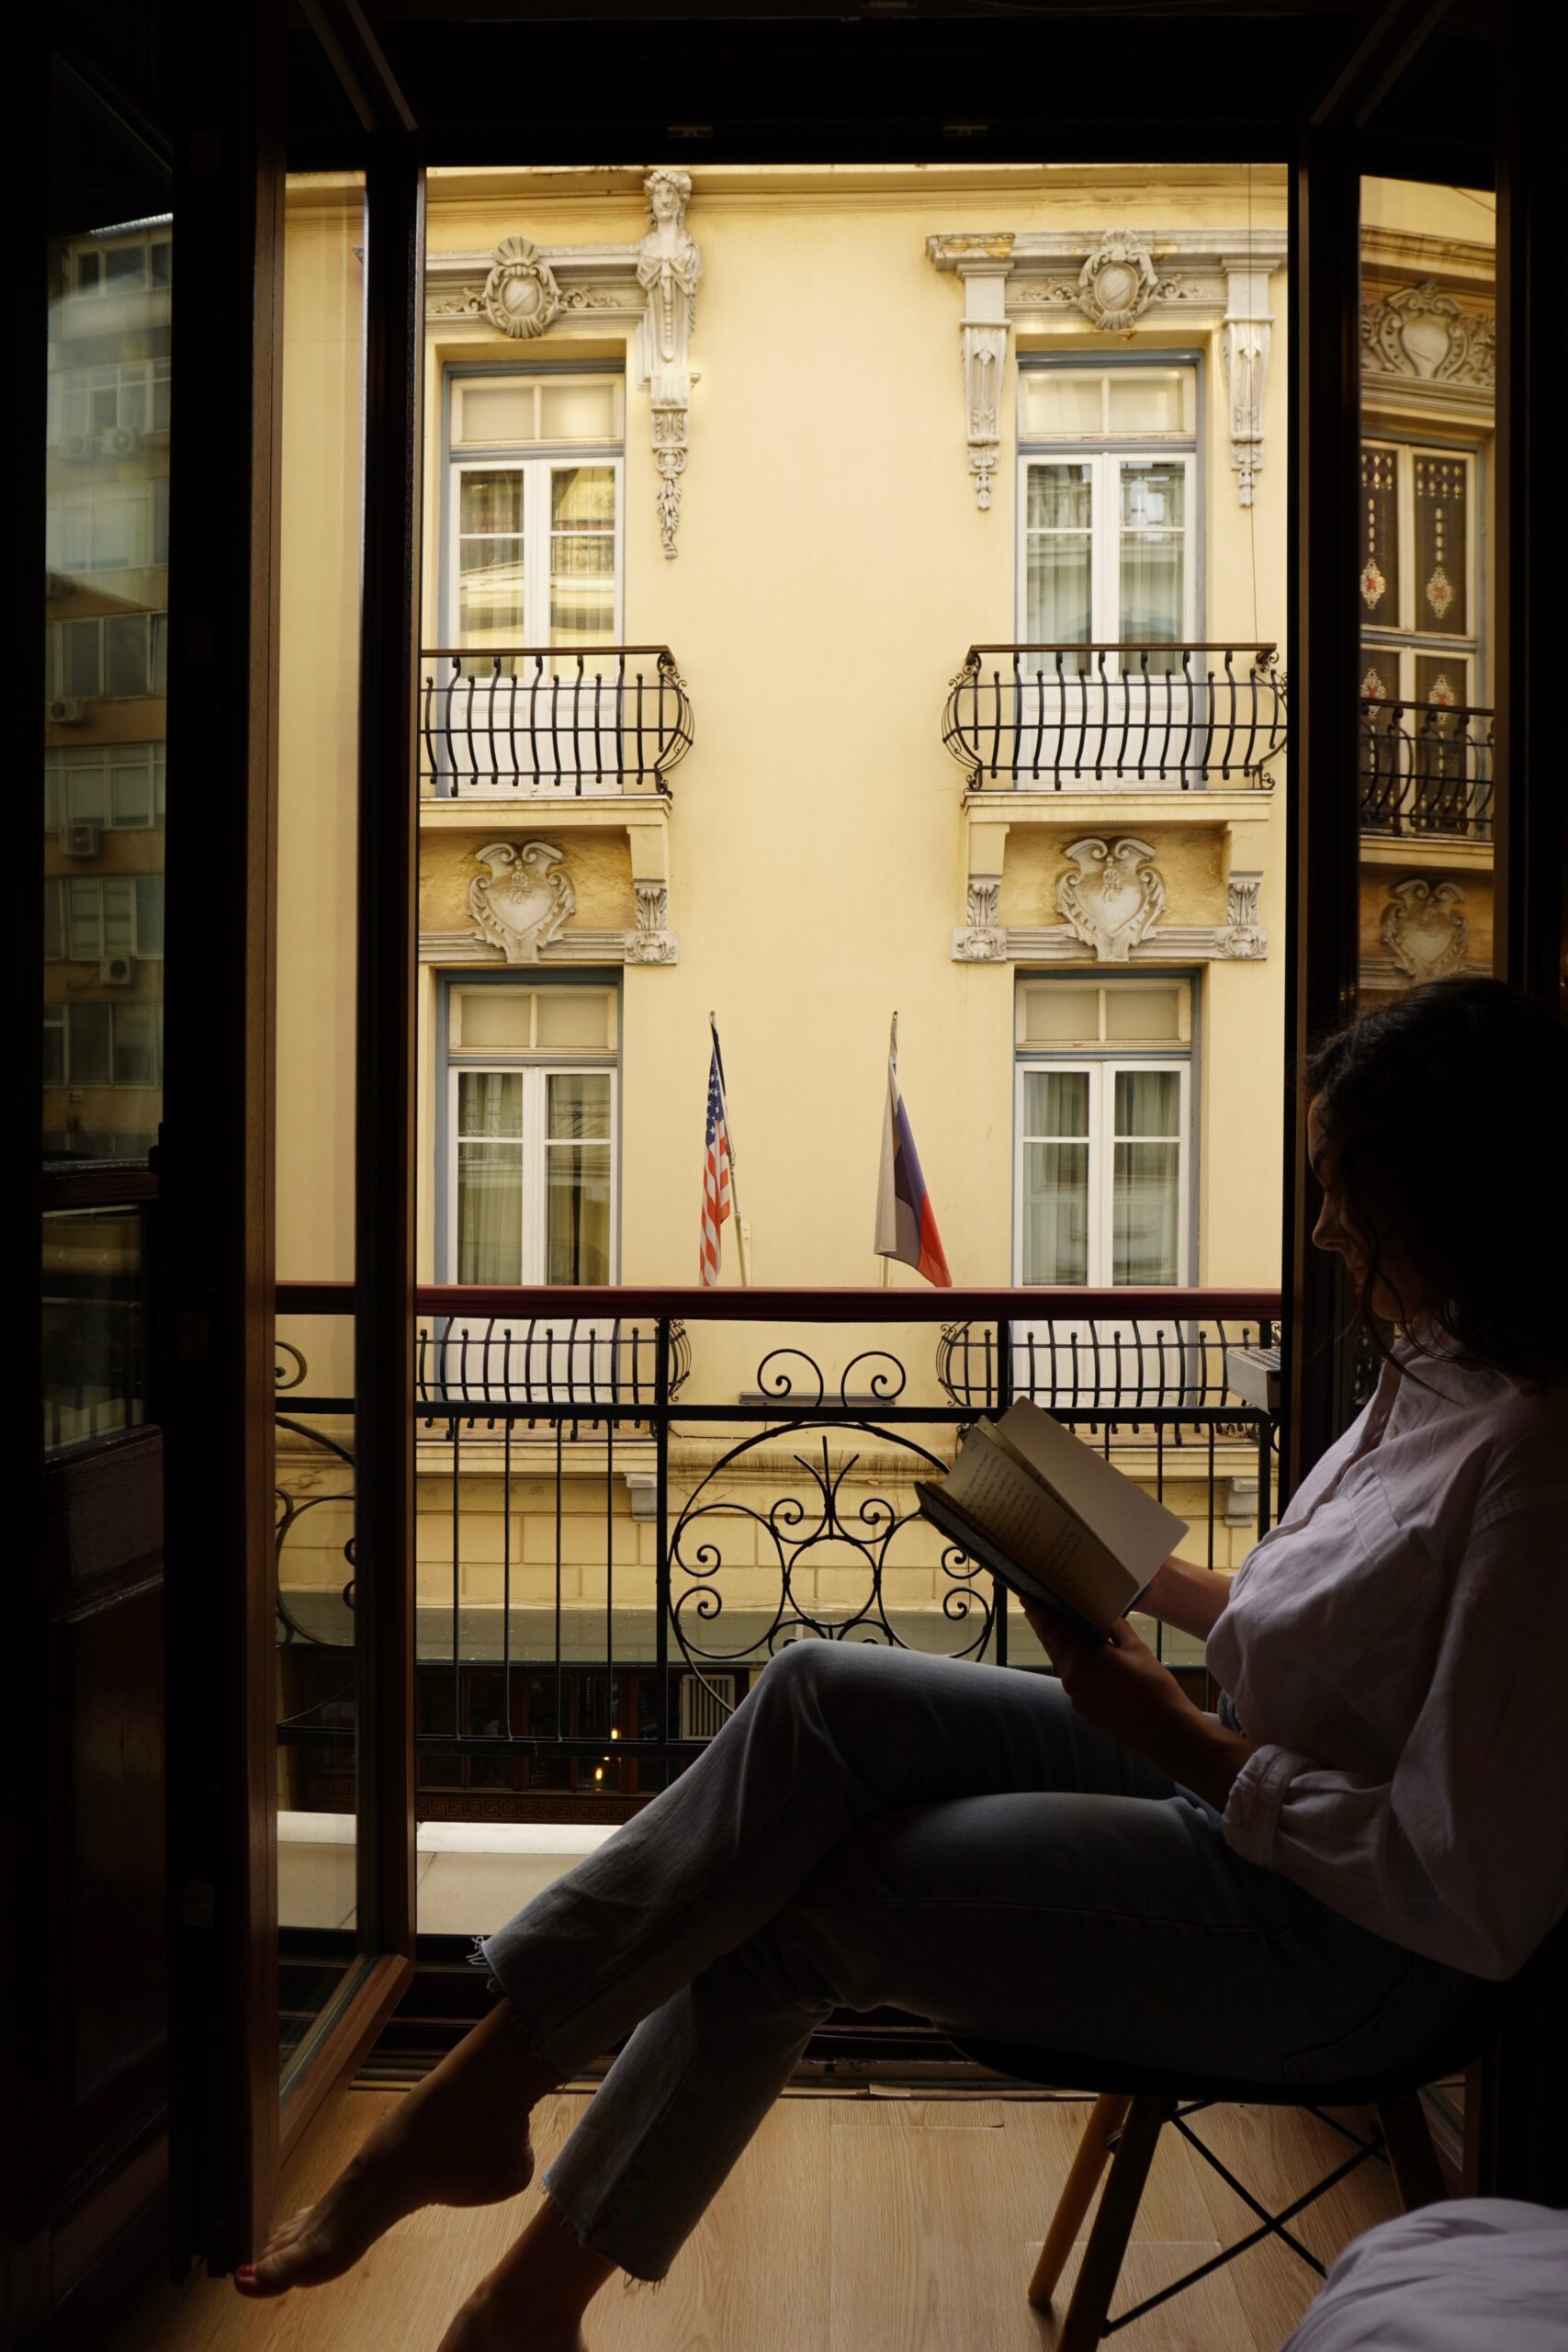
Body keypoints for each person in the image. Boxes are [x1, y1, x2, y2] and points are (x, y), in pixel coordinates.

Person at [237, 977, 1568, 2352]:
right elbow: (1337, 1632)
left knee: (797, 1899)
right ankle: (469, 2110)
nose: (1322, 1224)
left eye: (1349, 1185)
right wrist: (1122, 1562)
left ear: (1455, 1191)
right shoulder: (1433, 1363)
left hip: (1339, 1946)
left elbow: (1465, 1893)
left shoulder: (1536, 1459)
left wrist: (1173, 1739)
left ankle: (504, 2279)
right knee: (821, 1694)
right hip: (1236, 1785)